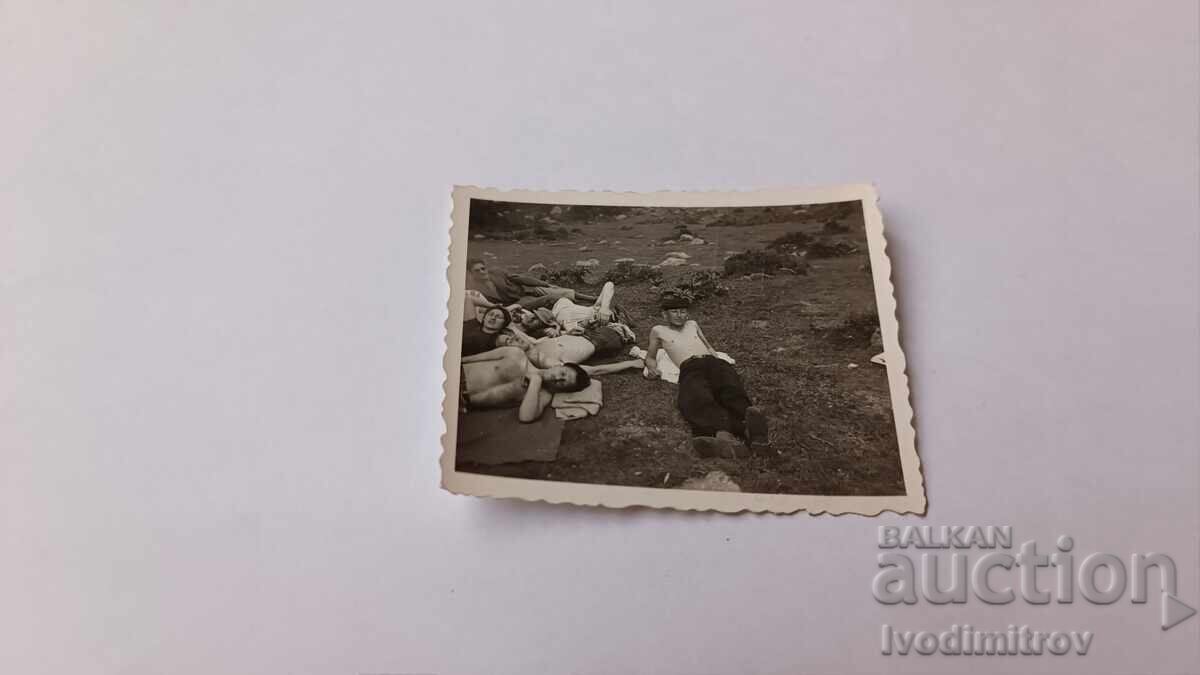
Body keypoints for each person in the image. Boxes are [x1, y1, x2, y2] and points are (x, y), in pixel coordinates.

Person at [644, 295, 769, 457]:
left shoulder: (692, 324)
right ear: (664, 315)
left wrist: (719, 362)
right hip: (689, 366)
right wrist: (653, 368)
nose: (680, 315)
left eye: (683, 311)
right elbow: (650, 356)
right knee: (697, 395)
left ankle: (752, 430)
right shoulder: (658, 330)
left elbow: (708, 346)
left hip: (712, 362)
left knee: (730, 387)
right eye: (674, 312)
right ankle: (722, 435)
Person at [458, 346, 592, 422]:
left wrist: (536, 381)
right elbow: (467, 359)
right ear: (558, 365)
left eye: (562, 383)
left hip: (460, 402)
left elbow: (526, 417)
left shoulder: (543, 394)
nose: (557, 378)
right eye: (562, 373)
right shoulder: (516, 354)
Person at [466, 258, 596, 307]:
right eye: (477, 271)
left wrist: (545, 284)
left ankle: (592, 299)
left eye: (483, 268)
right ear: (471, 274)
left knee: (556, 290)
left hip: (524, 292)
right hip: (515, 304)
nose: (482, 272)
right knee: (549, 299)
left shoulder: (496, 272)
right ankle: (583, 307)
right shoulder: (474, 290)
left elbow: (521, 278)